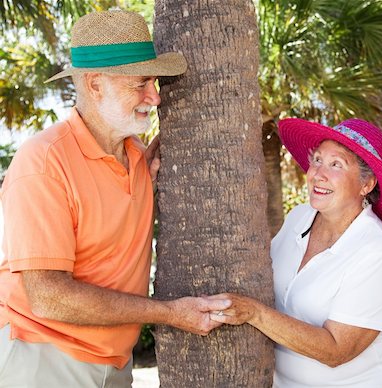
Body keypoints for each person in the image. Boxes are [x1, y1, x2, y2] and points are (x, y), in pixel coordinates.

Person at [0, 10, 230, 387]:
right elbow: (47, 297)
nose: (154, 97)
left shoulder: (138, 156)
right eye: (140, 84)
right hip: (42, 358)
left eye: (153, 82)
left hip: (115, 366)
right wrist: (170, 313)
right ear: (94, 84)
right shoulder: (43, 162)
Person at [211, 118, 382, 387]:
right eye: (317, 160)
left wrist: (254, 313)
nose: (317, 173)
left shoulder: (376, 249)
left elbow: (336, 349)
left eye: (336, 165)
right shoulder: (300, 217)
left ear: (366, 184)